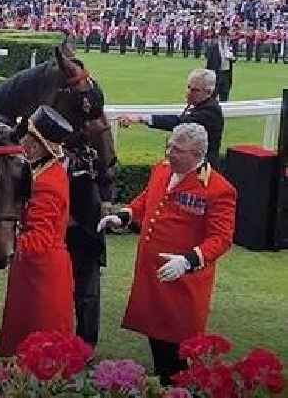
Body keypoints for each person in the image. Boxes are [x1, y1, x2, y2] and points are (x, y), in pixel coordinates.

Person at [97, 123, 236, 385]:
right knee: (156, 339)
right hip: (152, 276)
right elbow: (147, 198)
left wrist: (188, 261)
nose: (170, 153)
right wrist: (124, 215)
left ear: (197, 154)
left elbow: (222, 238)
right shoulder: (162, 170)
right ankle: (163, 383)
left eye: (178, 150)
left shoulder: (218, 189)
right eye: (169, 146)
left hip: (184, 283)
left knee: (178, 351)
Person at [0, 105, 75, 356]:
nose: (24, 144)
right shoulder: (41, 170)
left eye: (30, 140)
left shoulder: (48, 183)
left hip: (41, 275)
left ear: (42, 146)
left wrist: (0, 240)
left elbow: (39, 240)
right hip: (33, 270)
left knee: (39, 350)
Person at [118, 69, 224, 169]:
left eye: (195, 90)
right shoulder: (198, 105)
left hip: (203, 169)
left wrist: (141, 118)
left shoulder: (210, 111)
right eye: (188, 87)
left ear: (208, 92)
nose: (189, 93)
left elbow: (178, 123)